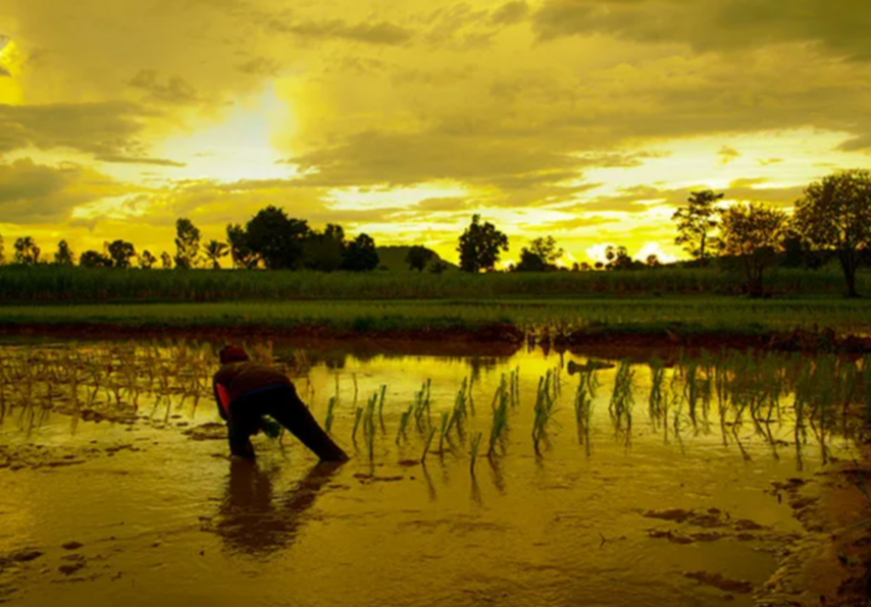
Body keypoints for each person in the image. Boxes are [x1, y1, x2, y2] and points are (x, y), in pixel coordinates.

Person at [213, 346, 348, 461]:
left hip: (247, 396)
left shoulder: (221, 373)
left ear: (222, 361)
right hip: (283, 390)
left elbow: (226, 412)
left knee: (238, 441)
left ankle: (243, 466)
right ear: (246, 357)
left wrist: (252, 424)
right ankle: (337, 459)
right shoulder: (259, 366)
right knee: (314, 436)